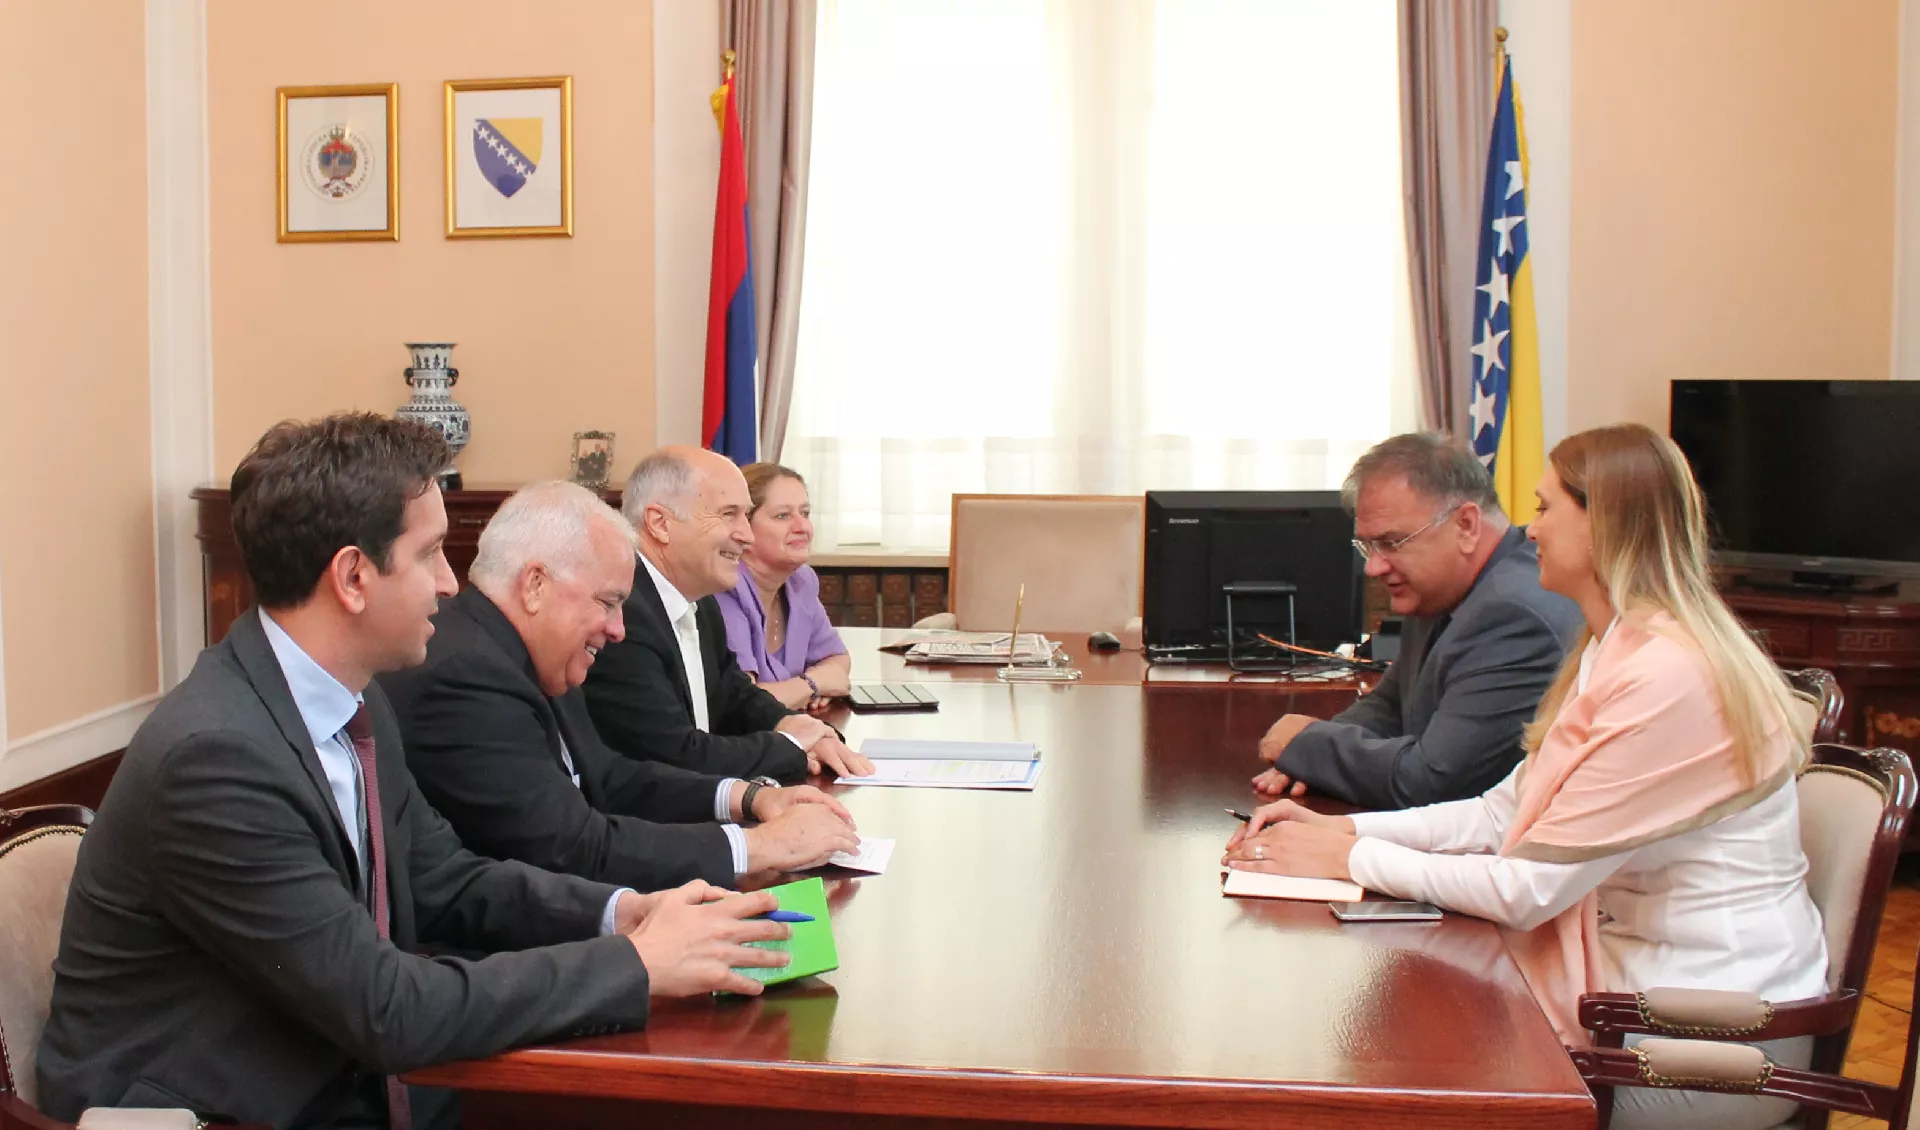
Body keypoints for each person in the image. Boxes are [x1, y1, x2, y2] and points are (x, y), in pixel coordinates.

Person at [37, 415, 790, 1130]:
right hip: (229, 1110)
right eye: (431, 554)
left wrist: (624, 913)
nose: (451, 584)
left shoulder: (353, 702)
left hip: (335, 1073)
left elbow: (445, 881)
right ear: (353, 577)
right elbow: (386, 1008)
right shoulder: (215, 760)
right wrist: (634, 964)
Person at [1225, 423, 1826, 1130]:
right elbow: (1495, 814)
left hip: (1708, 1038)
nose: (1529, 529)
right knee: (1390, 1040)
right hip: (1639, 996)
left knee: (1405, 1073)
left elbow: (1529, 890)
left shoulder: (1668, 674)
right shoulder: (1616, 648)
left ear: (1604, 523)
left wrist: (1349, 858)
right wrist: (1345, 830)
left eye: (1544, 508)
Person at [378, 481, 862, 895]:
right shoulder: (467, 675)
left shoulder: (529, 652)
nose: (618, 630)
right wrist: (757, 846)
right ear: (535, 586)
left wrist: (750, 798)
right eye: (608, 603)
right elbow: (571, 847)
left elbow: (609, 778)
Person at [1253, 433, 1582, 809]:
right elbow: (1391, 706)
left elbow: (1433, 780)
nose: (1374, 567)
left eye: (1392, 543)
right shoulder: (1444, 588)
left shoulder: (1515, 615)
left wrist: (1309, 745)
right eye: (1368, 546)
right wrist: (1309, 758)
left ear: (1466, 525)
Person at [583, 447, 874, 783]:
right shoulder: (624, 612)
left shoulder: (700, 601)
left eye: (746, 516)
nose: (746, 535)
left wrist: (802, 727)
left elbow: (736, 695)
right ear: (660, 524)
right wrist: (792, 746)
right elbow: (675, 755)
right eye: (728, 514)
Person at [715, 463, 851, 711]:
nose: (802, 527)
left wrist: (804, 688)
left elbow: (837, 659)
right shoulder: (725, 587)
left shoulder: (801, 581)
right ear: (743, 527)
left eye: (805, 513)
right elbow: (745, 704)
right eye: (783, 516)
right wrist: (813, 684)